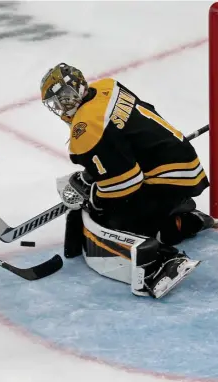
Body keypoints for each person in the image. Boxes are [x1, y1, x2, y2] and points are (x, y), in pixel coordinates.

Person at [40, 63, 215, 298]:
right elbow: (125, 140)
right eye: (57, 103)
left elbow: (126, 184)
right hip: (181, 168)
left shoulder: (85, 127)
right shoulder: (106, 87)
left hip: (165, 179)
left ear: (78, 89)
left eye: (66, 98)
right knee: (113, 203)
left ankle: (163, 261)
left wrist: (95, 198)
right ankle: (184, 219)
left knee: (109, 219)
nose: (63, 107)